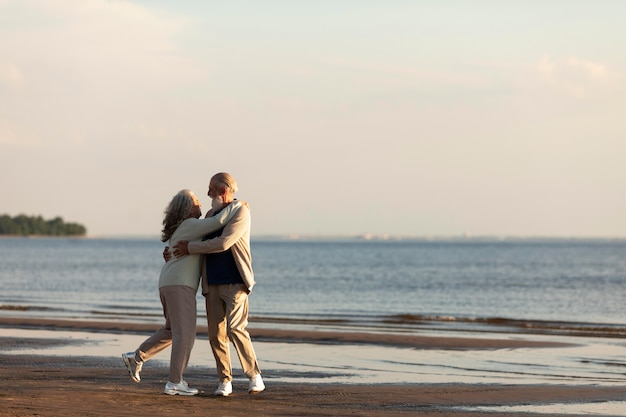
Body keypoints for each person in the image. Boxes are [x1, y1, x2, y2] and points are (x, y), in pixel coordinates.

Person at [121, 189, 243, 396]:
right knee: (185, 336)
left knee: (171, 331)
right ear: (187, 208)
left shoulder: (182, 229)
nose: (201, 205)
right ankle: (174, 382)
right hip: (180, 286)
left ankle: (137, 357)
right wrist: (238, 205)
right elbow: (219, 221)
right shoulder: (190, 225)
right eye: (196, 202)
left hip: (168, 283)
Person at [172, 172, 264, 397]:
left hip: (235, 281)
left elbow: (223, 243)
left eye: (211, 189)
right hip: (211, 282)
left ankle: (254, 377)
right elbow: (195, 239)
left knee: (236, 328)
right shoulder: (211, 214)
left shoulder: (241, 212)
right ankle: (225, 380)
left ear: (223, 191)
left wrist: (189, 248)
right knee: (216, 334)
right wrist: (173, 251)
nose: (207, 193)